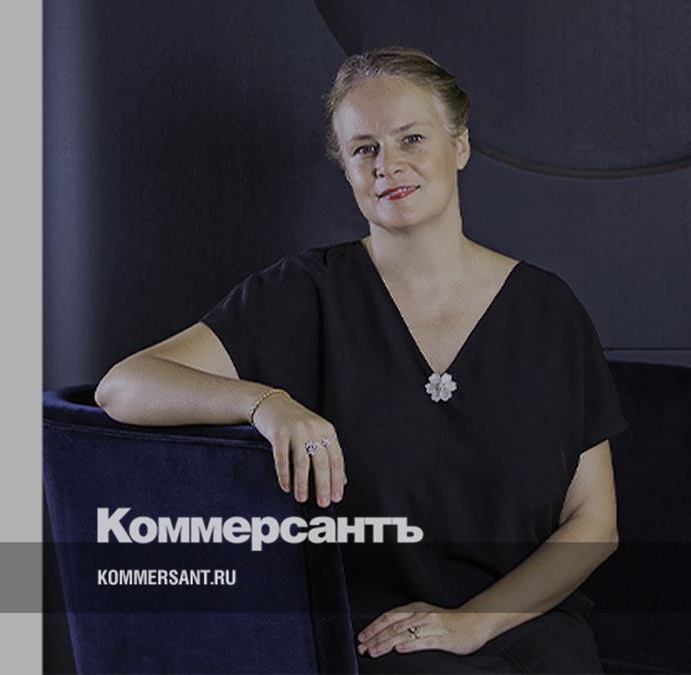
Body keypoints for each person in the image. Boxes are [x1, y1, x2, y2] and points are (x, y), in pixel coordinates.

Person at [96, 46, 628, 673]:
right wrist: (266, 404)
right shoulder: (303, 293)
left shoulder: (547, 309)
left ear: (459, 144)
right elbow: (123, 386)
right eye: (364, 148)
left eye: (411, 138)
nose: (387, 165)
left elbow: (594, 521)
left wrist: (471, 622)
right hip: (370, 631)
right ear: (346, 168)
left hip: (519, 620)